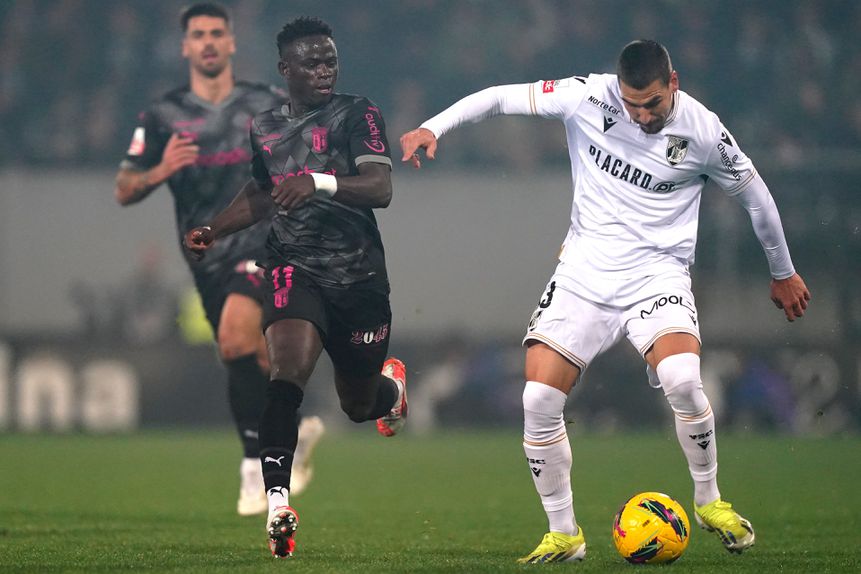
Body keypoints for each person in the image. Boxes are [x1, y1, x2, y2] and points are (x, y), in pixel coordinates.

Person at [401, 39, 810, 563]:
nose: (641, 116)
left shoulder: (704, 131)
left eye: (654, 104)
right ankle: (565, 534)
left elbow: (756, 196)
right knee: (538, 402)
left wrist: (783, 271)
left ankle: (709, 500)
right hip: (584, 273)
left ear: (674, 85)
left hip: (656, 274)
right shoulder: (585, 97)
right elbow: (500, 97)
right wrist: (433, 126)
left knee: (685, 379)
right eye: (633, 104)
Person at [183, 16, 407, 558]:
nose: (325, 69)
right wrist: (216, 228)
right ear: (287, 70)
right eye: (312, 62)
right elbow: (262, 192)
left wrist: (319, 182)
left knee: (358, 403)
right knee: (286, 374)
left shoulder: (358, 112)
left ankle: (393, 390)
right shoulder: (265, 125)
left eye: (330, 60)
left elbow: (380, 188)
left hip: (358, 277)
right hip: (291, 266)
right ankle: (278, 504)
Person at [114, 2, 325, 517]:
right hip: (205, 256)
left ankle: (255, 471)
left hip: (264, 240)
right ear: (185, 46)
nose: (208, 42)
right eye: (198, 34)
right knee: (245, 353)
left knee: (235, 333)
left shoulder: (267, 101)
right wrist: (160, 169)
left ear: (231, 43)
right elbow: (124, 187)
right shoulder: (162, 117)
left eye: (217, 33)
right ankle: (290, 438)